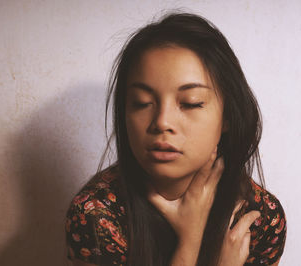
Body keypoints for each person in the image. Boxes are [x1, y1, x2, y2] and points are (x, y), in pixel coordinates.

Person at [65, 12, 286, 266]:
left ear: (227, 116)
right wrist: (189, 241)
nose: (162, 122)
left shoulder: (260, 218)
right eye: (142, 103)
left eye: (190, 103)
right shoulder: (95, 216)